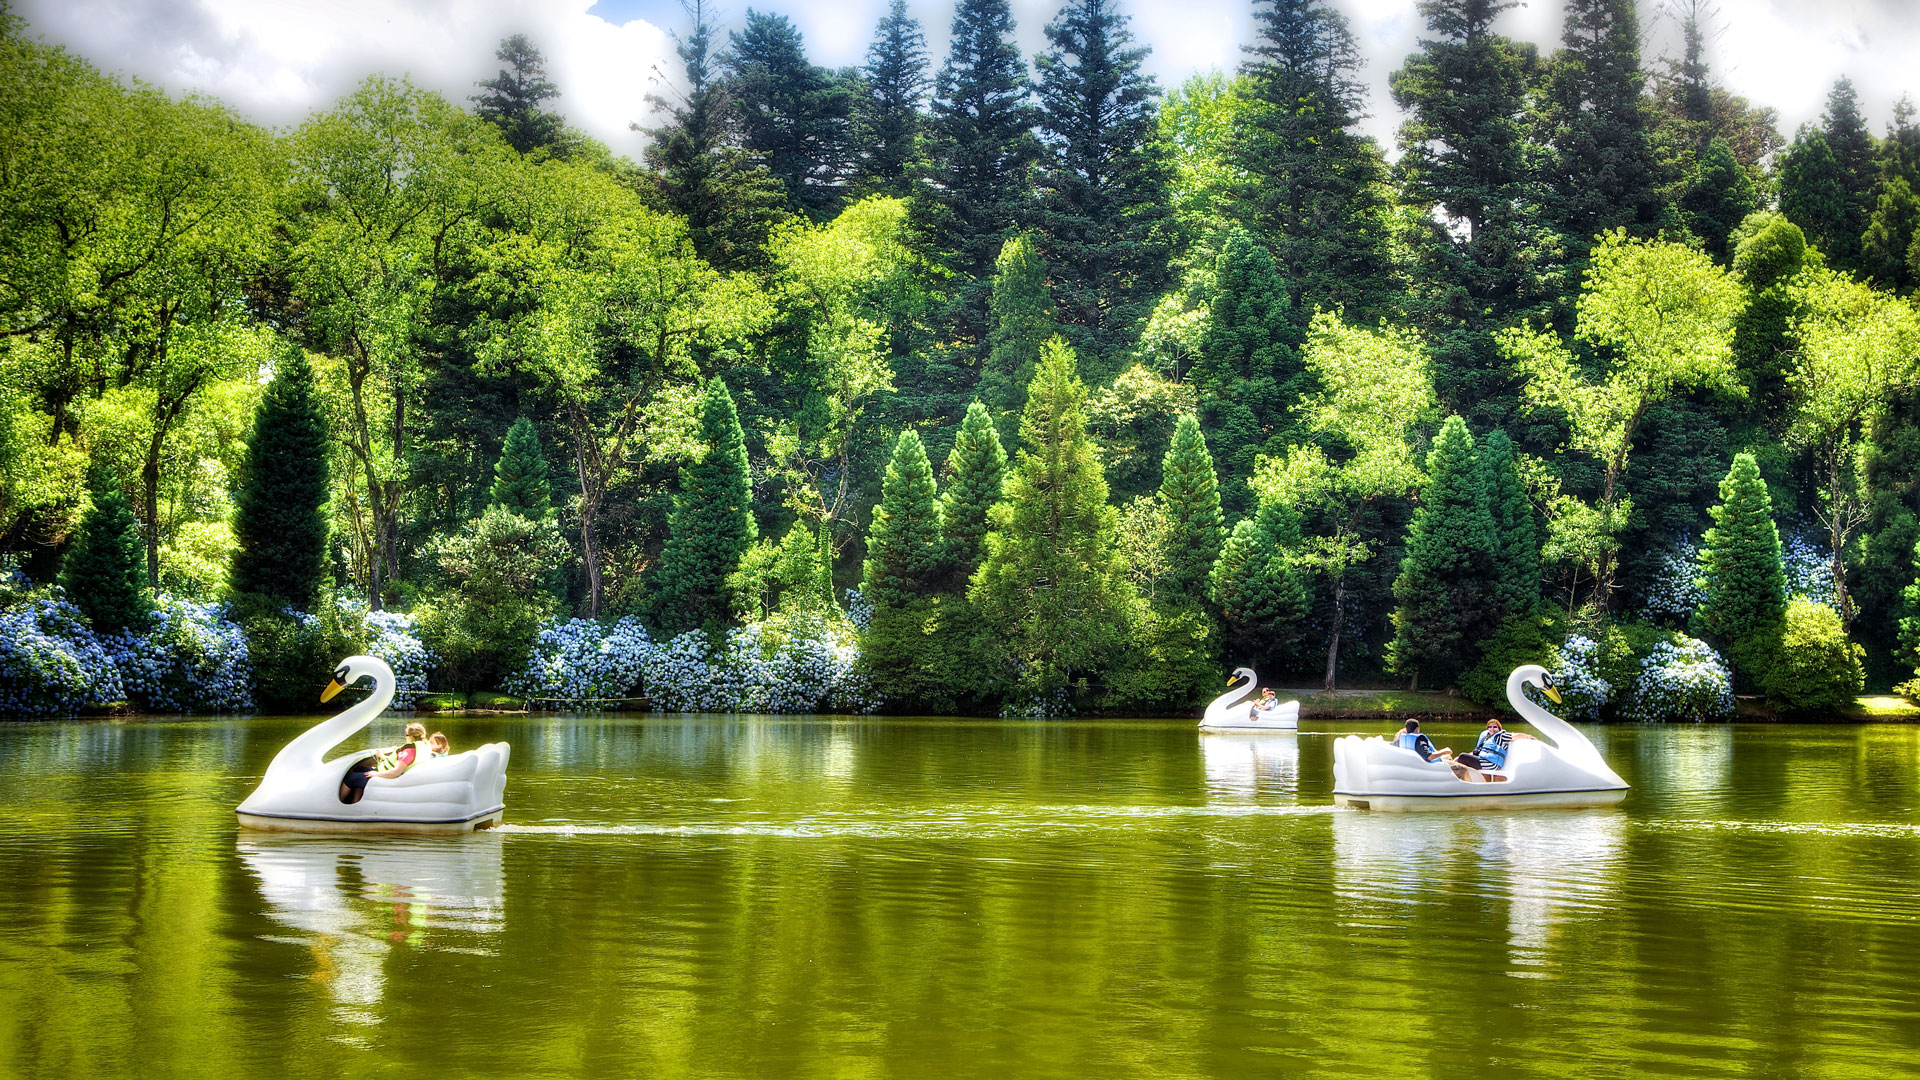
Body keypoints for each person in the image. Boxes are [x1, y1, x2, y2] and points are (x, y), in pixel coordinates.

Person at [339, 722, 430, 805]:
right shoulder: (424, 746)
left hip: (389, 777)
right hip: (390, 772)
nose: (405, 737)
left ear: (411, 737)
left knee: (351, 778)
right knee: (359, 769)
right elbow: (402, 763)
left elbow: (396, 771)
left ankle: (339, 804)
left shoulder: (408, 751)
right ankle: (356, 803)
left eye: (406, 735)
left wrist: (376, 774)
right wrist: (382, 756)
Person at [1452, 717, 1534, 779]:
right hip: (1484, 761)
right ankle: (1461, 778)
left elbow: (1515, 736)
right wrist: (1457, 759)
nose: (1492, 729)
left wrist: (1528, 736)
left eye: (1495, 727)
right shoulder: (1487, 739)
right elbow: (1476, 752)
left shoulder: (1501, 736)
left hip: (1491, 764)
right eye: (1490, 727)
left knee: (1463, 757)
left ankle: (1460, 779)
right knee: (1460, 757)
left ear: (1499, 728)